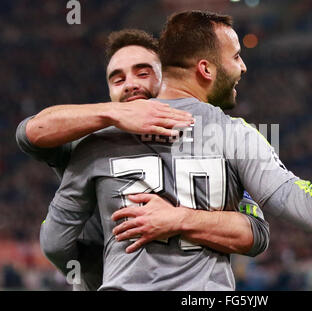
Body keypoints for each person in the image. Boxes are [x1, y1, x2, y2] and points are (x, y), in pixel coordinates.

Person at [39, 10, 312, 291]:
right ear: (205, 69)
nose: (243, 67)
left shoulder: (101, 134)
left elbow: (56, 241)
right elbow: (311, 210)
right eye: (236, 56)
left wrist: (100, 277)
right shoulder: (235, 134)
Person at [16, 29, 269, 290]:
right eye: (118, 79)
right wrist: (113, 114)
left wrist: (179, 220)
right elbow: (30, 133)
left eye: (143, 73)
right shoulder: (91, 138)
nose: (130, 84)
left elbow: (255, 234)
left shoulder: (218, 138)